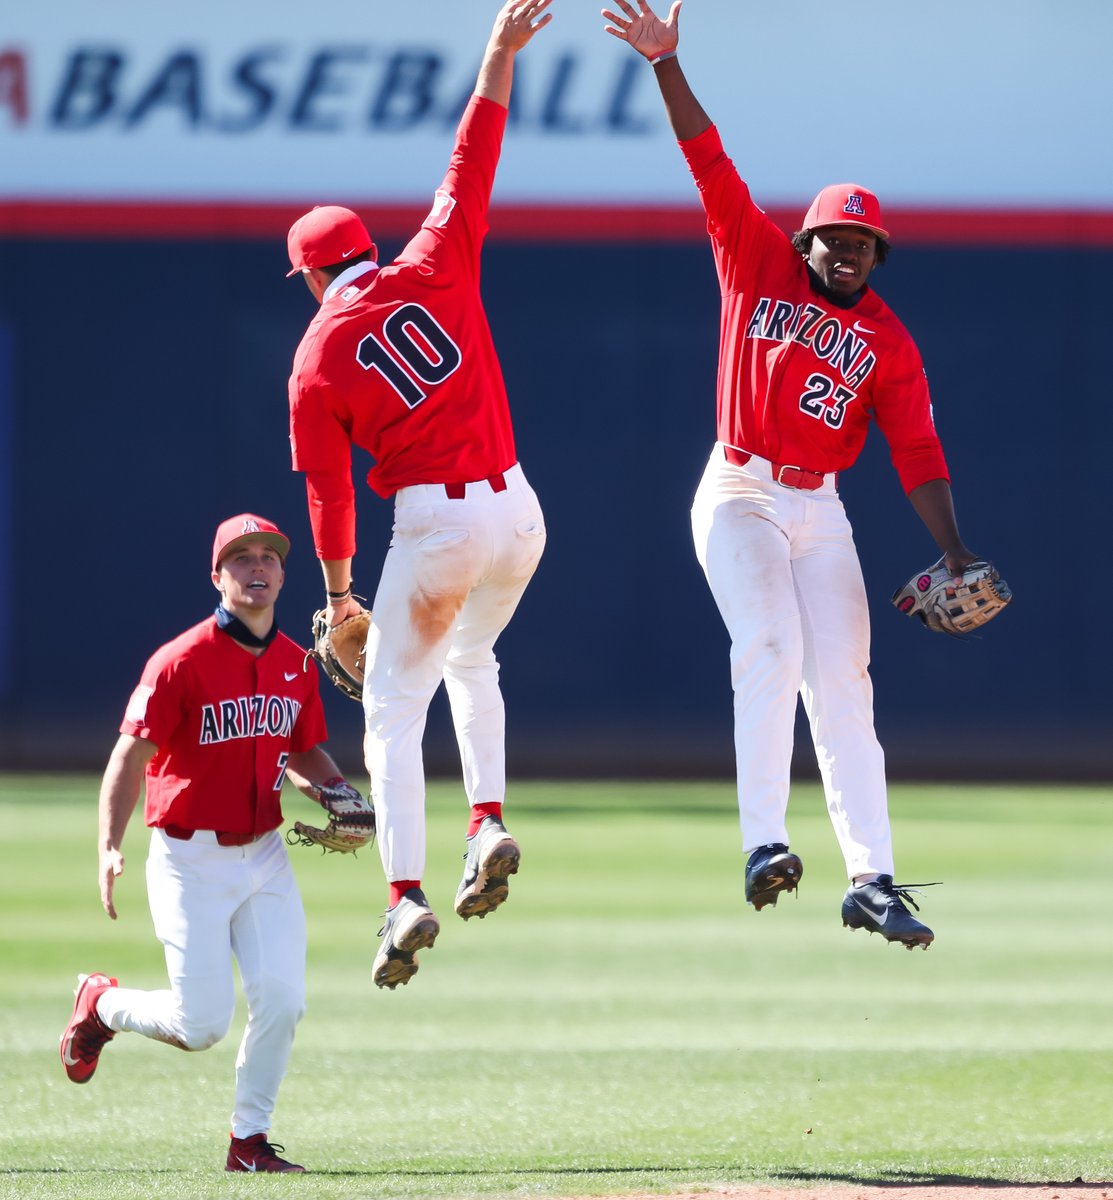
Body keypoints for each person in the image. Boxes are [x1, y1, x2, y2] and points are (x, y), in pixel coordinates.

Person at [602, 0, 986, 949]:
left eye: (866, 246)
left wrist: (952, 550)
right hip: (737, 489)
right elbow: (706, 157)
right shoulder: (753, 258)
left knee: (845, 684)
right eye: (837, 240)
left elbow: (917, 452)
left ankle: (872, 878)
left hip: (819, 507)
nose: (851, 253)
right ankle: (763, 843)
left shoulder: (888, 341)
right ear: (806, 240)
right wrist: (663, 64)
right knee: (767, 648)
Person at [285, 1, 551, 989]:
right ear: (366, 247)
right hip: (518, 511)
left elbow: (329, 498)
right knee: (475, 656)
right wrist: (495, 52)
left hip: (434, 525)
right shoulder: (434, 256)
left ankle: (404, 899)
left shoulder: (315, 358)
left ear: (312, 277)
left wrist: (343, 595)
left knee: (394, 715)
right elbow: (470, 155)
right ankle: (487, 823)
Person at [59, 514, 364, 1173]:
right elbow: (127, 758)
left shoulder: (294, 664)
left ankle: (248, 1143)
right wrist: (109, 845)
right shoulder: (178, 663)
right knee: (200, 1027)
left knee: (283, 1000)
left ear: (284, 574)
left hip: (265, 855)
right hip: (187, 858)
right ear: (217, 576)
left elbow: (303, 748)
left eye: (269, 557)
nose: (257, 567)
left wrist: (339, 790)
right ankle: (101, 1004)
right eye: (241, 558)